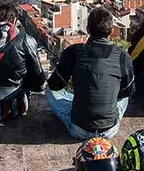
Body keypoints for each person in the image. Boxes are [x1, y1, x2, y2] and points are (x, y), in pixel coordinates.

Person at [46, 7, 134, 140]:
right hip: (109, 129)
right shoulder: (123, 56)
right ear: (110, 31)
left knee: (49, 91)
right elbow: (128, 91)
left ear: (87, 30)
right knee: (125, 98)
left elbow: (54, 85)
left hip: (79, 128)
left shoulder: (73, 52)